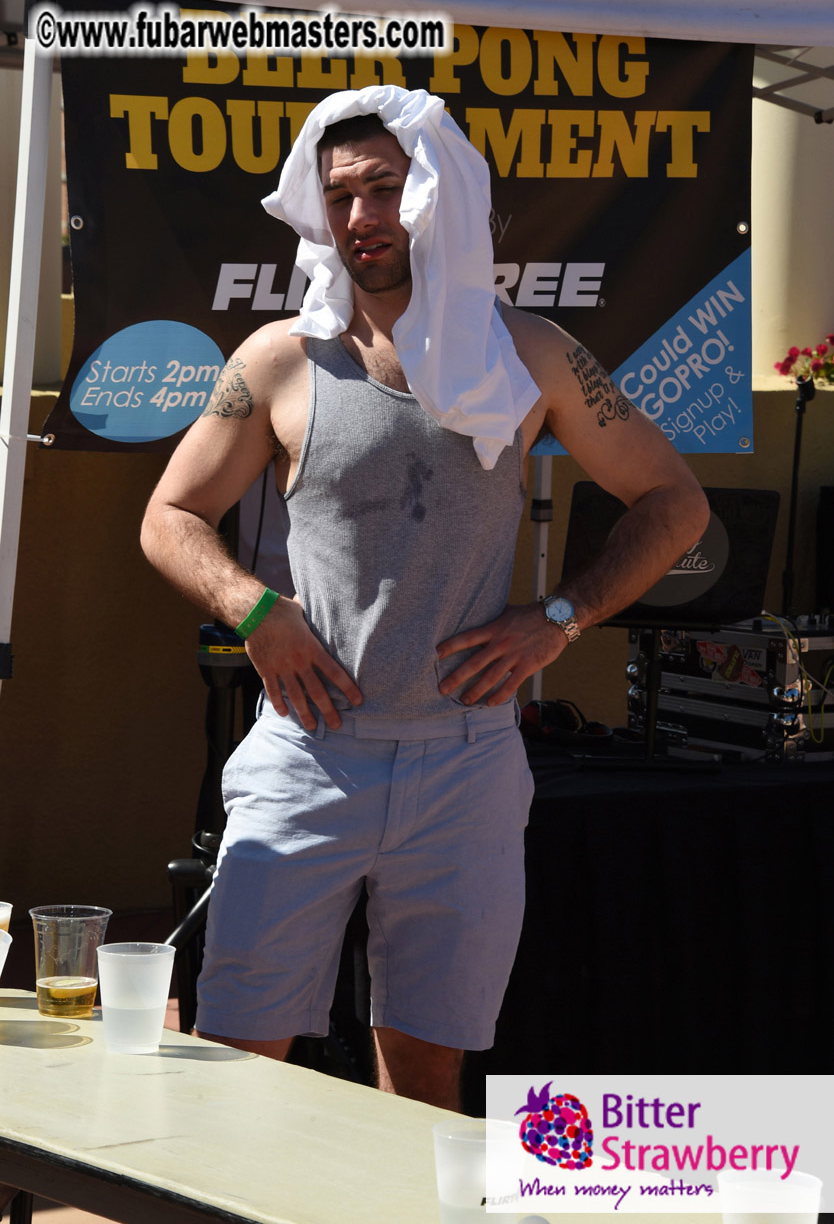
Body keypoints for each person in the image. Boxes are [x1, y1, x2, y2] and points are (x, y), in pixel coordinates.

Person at [140, 86, 708, 1110]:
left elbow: (674, 502)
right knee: (234, 1062)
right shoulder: (281, 358)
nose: (361, 218)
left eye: (386, 190)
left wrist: (560, 617)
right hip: (306, 754)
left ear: (438, 200)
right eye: (341, 195)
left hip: (466, 766)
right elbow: (170, 515)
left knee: (426, 1076)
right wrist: (257, 611)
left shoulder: (527, 353)